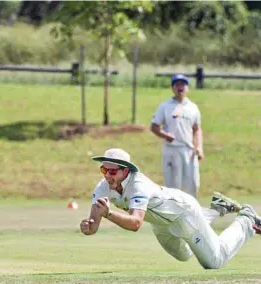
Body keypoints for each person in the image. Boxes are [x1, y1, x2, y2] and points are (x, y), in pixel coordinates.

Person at [80, 148, 261, 269]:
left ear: (125, 171)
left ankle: (246, 219)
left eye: (112, 172)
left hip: (183, 213)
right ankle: (216, 209)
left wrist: (109, 214)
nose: (107, 176)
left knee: (214, 261)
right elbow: (94, 223)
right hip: (161, 224)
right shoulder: (102, 187)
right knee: (184, 255)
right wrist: (88, 227)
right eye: (104, 170)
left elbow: (135, 223)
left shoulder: (138, 185)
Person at [150, 74, 203, 198]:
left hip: (189, 151)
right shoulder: (165, 106)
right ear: (173, 88)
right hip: (171, 150)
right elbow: (154, 127)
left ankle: (191, 213)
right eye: (177, 84)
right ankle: (174, 214)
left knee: (194, 184)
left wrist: (199, 147)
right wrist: (166, 135)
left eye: (183, 84)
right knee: (174, 187)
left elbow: (197, 129)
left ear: (187, 87)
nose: (180, 87)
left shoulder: (193, 107)